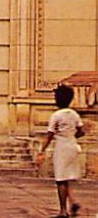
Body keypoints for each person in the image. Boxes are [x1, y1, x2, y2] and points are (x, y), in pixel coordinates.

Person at [36, 84, 85, 218]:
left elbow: (49, 135)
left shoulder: (56, 116)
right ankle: (73, 202)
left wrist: (42, 150)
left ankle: (63, 210)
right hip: (73, 146)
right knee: (66, 177)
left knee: (60, 179)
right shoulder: (74, 114)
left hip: (62, 148)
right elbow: (81, 131)